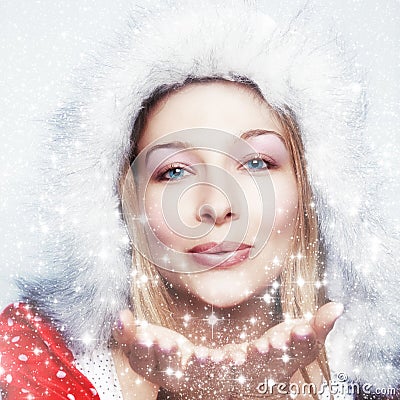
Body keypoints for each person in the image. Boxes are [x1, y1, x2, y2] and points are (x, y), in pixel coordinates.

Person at [0, 1, 398, 399]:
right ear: (123, 207)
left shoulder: (377, 373)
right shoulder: (33, 361)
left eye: (257, 163)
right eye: (174, 172)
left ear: (311, 192)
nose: (216, 204)